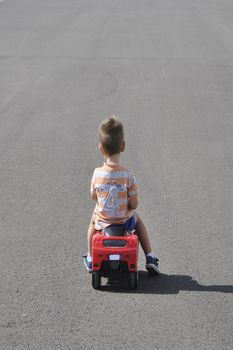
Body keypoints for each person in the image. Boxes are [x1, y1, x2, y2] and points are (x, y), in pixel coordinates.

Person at [83, 116, 160, 274]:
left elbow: (93, 196)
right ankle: (150, 256)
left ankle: (90, 258)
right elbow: (134, 204)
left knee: (92, 223)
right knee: (138, 222)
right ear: (123, 146)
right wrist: (129, 205)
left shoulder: (97, 173)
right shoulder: (128, 175)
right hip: (123, 221)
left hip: (103, 221)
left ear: (101, 148)